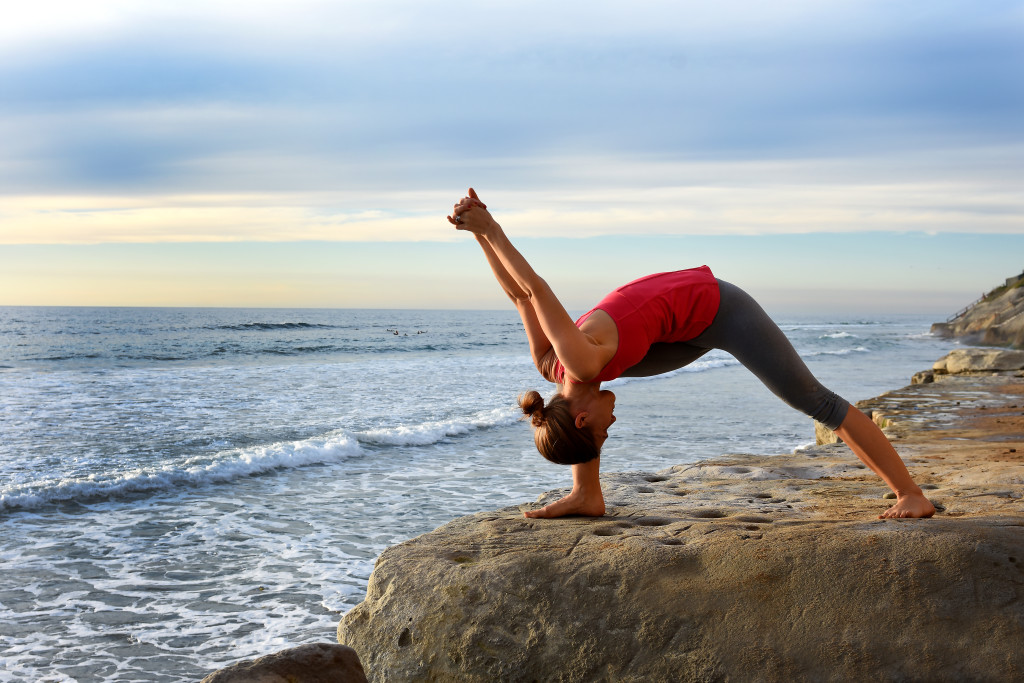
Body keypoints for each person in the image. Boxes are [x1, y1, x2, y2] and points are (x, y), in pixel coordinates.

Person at [448, 188, 936, 521]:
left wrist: (491, 229)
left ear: (580, 421)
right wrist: (475, 237)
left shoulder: (574, 363)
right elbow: (517, 298)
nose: (612, 426)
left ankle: (911, 494)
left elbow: (534, 288)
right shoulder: (553, 368)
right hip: (664, 333)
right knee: (585, 387)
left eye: (601, 430)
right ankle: (587, 493)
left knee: (812, 399)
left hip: (717, 307)